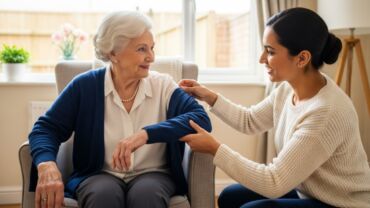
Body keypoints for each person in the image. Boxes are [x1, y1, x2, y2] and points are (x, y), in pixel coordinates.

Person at [179, 7, 370, 208]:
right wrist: (210, 97)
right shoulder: (287, 90)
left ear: (302, 58)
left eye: (270, 51)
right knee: (229, 196)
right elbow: (250, 121)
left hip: (343, 203)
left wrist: (214, 148)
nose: (262, 59)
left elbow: (274, 182)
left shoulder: (325, 112)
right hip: (309, 191)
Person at [28, 11, 211, 208]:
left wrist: (145, 134)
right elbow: (46, 128)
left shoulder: (163, 85)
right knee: (102, 194)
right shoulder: (84, 86)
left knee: (146, 194)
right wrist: (46, 164)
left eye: (152, 48)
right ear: (113, 53)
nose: (151, 57)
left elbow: (201, 119)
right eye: (142, 49)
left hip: (154, 174)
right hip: (98, 174)